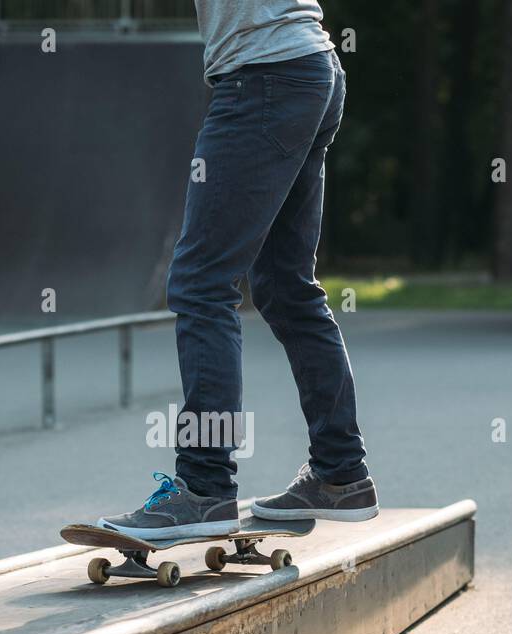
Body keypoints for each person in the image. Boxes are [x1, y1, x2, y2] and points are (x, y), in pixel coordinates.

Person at [99, 0, 377, 540]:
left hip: (265, 77)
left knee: (202, 284)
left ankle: (204, 487)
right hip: (309, 65)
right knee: (286, 289)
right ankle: (342, 473)